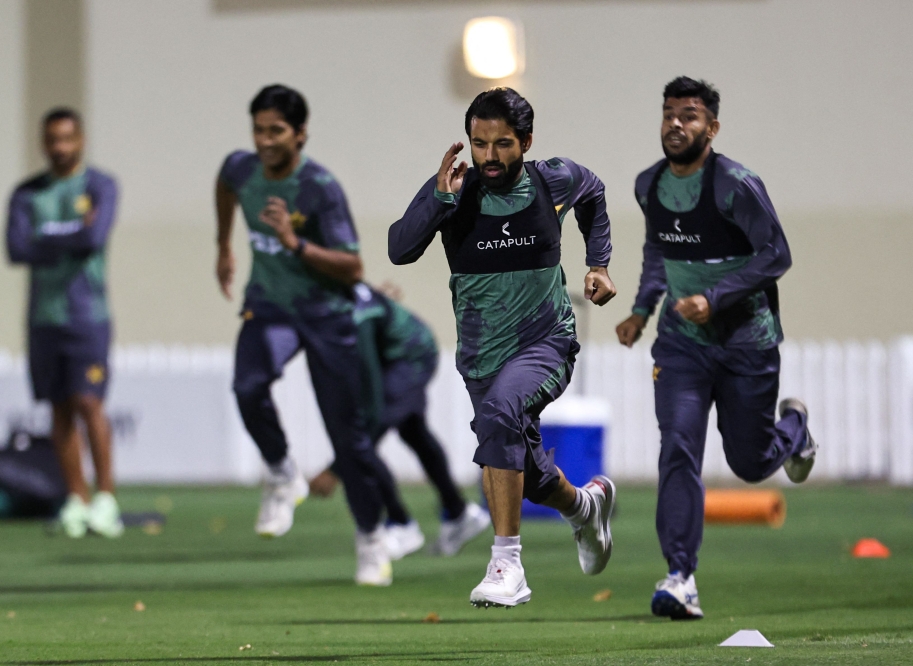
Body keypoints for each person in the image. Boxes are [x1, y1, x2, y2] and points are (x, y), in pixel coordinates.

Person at [388, 87, 618, 608]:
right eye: (479, 144)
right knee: (528, 473)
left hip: (546, 342)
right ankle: (585, 507)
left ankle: (507, 563)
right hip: (481, 358)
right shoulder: (452, 189)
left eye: (502, 144)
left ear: (526, 142)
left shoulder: (552, 179)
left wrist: (598, 263)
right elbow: (400, 249)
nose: (489, 157)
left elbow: (595, 191)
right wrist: (438, 198)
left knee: (500, 414)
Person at [614, 76, 817, 620]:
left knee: (749, 463)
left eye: (690, 115)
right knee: (678, 447)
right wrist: (641, 309)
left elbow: (776, 255)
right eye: (668, 114)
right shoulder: (647, 185)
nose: (676, 124)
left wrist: (716, 296)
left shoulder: (735, 185)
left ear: (712, 127)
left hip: (747, 342)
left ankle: (793, 429)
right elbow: (659, 250)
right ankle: (680, 577)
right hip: (682, 346)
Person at [215, 84, 390, 586]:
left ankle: (371, 537)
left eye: (277, 131)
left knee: (347, 438)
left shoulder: (319, 188)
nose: (265, 140)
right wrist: (223, 245)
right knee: (248, 385)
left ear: (300, 134)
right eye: (258, 130)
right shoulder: (241, 169)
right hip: (269, 306)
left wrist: (295, 243)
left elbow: (354, 267)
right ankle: (279, 470)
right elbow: (225, 185)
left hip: (325, 315)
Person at [310, 282, 491, 560]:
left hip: (409, 355)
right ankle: (458, 512)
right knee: (412, 430)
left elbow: (373, 411)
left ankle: (400, 523)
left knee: (364, 434)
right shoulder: (339, 299)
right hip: (403, 351)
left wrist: (335, 469)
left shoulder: (355, 317)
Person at [5, 108, 122, 539]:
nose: (59, 148)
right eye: (52, 140)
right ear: (43, 142)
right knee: (58, 409)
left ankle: (106, 497)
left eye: (66, 139)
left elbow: (94, 238)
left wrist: (47, 240)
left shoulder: (99, 185)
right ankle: (77, 498)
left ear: (81, 140)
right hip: (44, 317)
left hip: (87, 316)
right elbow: (17, 248)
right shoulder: (27, 193)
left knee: (89, 404)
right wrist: (70, 237)